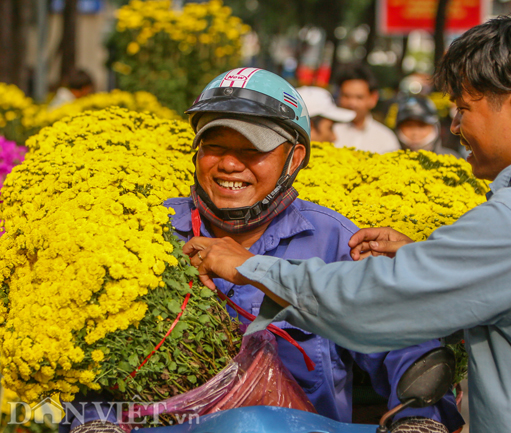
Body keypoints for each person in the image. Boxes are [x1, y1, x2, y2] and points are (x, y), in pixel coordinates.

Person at [184, 15, 511, 433]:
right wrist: (420, 257)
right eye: (215, 145)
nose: (454, 126)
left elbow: (372, 305)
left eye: (464, 109)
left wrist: (250, 267)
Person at [61, 68, 463, 433]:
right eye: (215, 145)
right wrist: (95, 422)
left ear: (295, 158)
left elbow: (404, 346)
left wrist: (418, 420)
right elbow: (93, 359)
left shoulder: (335, 241)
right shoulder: (147, 233)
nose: (230, 164)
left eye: (252, 149)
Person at [333, 65, 400, 153]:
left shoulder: (385, 138)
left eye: (359, 97)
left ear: (373, 99)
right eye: (346, 96)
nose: (352, 103)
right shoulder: (328, 131)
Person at [394, 96, 459, 156]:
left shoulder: (451, 159)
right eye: (409, 126)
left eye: (421, 126)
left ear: (434, 127)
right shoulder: (389, 161)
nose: (415, 132)